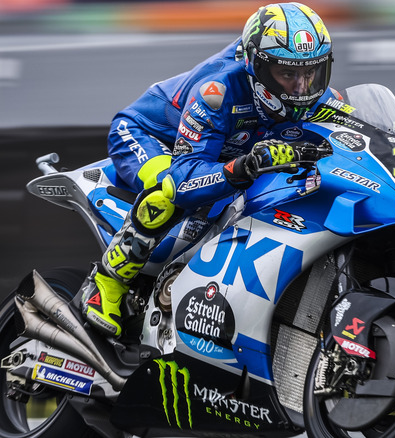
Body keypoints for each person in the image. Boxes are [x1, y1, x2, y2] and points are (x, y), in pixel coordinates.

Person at [81, 2, 341, 337]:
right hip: (149, 135)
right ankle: (106, 285)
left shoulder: (321, 98)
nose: (301, 88)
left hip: (222, 150)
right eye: (287, 74)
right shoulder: (217, 92)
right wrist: (243, 167)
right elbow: (186, 177)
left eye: (310, 72)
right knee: (167, 192)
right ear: (256, 66)